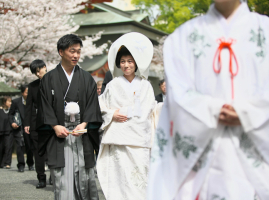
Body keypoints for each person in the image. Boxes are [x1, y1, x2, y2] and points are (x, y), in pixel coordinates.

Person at [147, 0, 269, 199]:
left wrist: (248, 112)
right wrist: (212, 109)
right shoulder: (182, 39)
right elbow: (177, 95)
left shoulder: (265, 31)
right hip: (204, 165)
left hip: (257, 162)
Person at [36, 34, 102, 199]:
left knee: (85, 176)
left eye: (78, 52)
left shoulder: (86, 78)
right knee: (63, 179)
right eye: (72, 51)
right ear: (61, 51)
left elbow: (93, 104)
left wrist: (85, 123)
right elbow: (44, 106)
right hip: (59, 134)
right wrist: (55, 126)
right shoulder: (49, 79)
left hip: (82, 133)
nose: (76, 56)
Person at [97, 32, 160, 200]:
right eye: (123, 61)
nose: (126, 65)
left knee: (139, 177)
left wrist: (129, 115)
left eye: (130, 61)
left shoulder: (146, 85)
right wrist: (112, 114)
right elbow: (101, 105)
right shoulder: (112, 85)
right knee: (120, 178)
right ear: (119, 63)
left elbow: (148, 109)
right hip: (119, 138)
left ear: (136, 63)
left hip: (139, 139)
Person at [24, 59, 49, 188]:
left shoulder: (54, 81)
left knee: (52, 150)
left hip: (52, 123)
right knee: (38, 152)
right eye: (36, 73)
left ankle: (54, 175)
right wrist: (27, 123)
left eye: (40, 70)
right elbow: (28, 106)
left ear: (45, 67)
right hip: (36, 123)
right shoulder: (32, 86)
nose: (39, 74)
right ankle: (41, 178)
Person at [9, 85, 34, 172]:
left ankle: (30, 163)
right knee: (19, 146)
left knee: (29, 146)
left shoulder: (33, 101)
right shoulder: (16, 102)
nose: (28, 94)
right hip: (19, 127)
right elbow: (10, 114)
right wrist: (12, 122)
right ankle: (21, 164)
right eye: (27, 92)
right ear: (22, 92)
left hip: (30, 127)